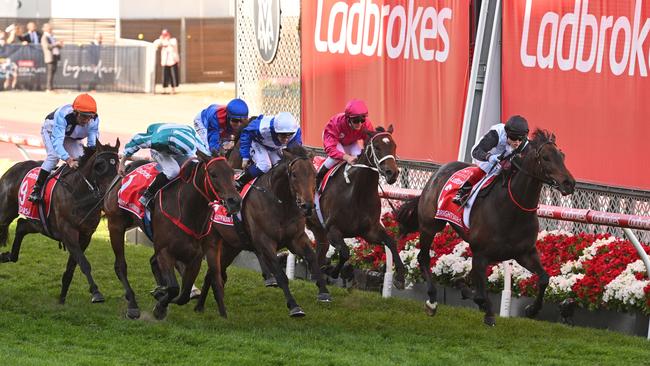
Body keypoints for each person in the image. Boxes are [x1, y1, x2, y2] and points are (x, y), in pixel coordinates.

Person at [118, 123, 211, 207]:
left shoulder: (194, 139)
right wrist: (122, 163)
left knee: (195, 164)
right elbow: (136, 141)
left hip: (180, 145)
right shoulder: (157, 140)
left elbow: (206, 155)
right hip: (161, 149)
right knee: (173, 171)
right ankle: (147, 195)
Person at [28, 94, 100, 202]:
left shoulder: (94, 120)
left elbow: (92, 144)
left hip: (71, 136)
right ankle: (36, 189)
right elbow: (57, 142)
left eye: (89, 116)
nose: (86, 120)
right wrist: (68, 159)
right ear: (75, 112)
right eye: (83, 116)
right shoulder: (63, 114)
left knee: (81, 159)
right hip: (52, 131)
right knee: (54, 157)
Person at [452, 115, 529, 205]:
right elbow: (476, 151)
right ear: (507, 134)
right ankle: (462, 192)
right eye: (514, 138)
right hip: (487, 154)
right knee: (483, 170)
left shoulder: (523, 142)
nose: (517, 142)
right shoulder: (496, 134)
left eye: (520, 139)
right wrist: (489, 157)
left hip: (507, 158)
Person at [315, 99, 375, 188]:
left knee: (358, 159)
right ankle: (317, 179)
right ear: (348, 119)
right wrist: (346, 157)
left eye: (362, 119)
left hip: (352, 142)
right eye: (355, 120)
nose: (359, 123)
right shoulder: (335, 123)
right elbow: (330, 149)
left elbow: (370, 142)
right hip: (335, 142)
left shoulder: (366, 124)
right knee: (335, 159)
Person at [235, 112, 302, 188]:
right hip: (258, 142)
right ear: (275, 130)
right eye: (283, 135)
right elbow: (246, 133)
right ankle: (240, 181)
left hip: (273, 147)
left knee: (280, 166)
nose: (286, 139)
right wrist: (245, 157)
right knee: (264, 165)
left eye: (289, 134)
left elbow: (294, 152)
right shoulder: (261, 127)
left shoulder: (295, 132)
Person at [153, 29, 180, 94]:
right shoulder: (161, 41)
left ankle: (173, 90)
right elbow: (156, 43)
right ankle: (164, 90)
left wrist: (164, 40)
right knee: (165, 76)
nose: (165, 36)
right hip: (165, 62)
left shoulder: (173, 40)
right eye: (164, 35)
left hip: (173, 61)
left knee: (173, 76)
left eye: (166, 35)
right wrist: (160, 40)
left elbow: (170, 43)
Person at [41, 23, 63, 92]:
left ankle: (51, 87)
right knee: (50, 73)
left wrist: (60, 45)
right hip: (50, 57)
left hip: (55, 56)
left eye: (50, 28)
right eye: (49, 28)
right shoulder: (44, 37)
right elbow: (48, 46)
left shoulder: (51, 36)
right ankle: (48, 88)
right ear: (45, 28)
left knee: (53, 72)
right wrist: (56, 44)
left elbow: (55, 46)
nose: (50, 29)